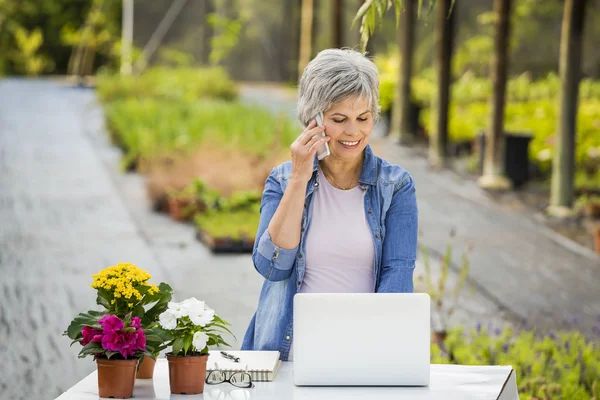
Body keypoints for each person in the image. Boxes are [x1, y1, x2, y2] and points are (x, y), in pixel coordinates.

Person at [241, 48, 418, 361]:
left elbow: (398, 277)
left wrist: (375, 354)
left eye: (363, 118)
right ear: (314, 119)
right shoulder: (282, 180)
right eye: (339, 119)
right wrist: (299, 177)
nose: (353, 131)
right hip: (286, 356)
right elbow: (272, 266)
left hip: (361, 355)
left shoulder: (396, 186)